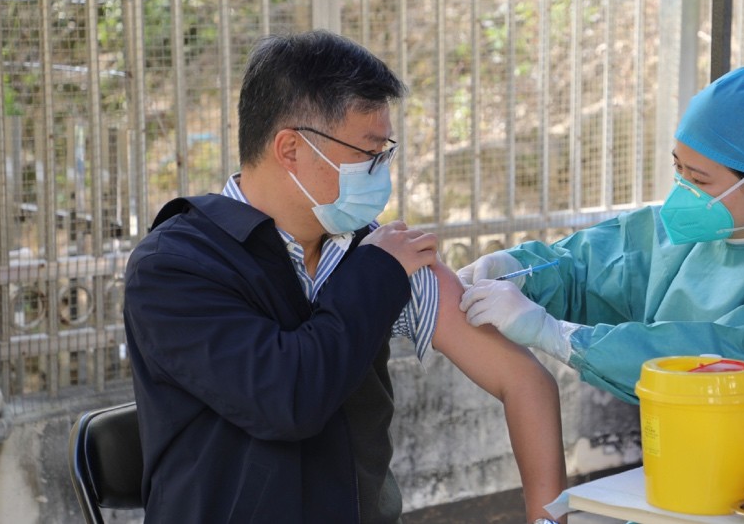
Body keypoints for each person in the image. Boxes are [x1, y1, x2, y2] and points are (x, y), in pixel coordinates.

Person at [124, 30, 566, 523]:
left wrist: (547, 519)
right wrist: (376, 275)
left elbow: (525, 381)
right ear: (290, 149)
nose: (381, 171)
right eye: (368, 152)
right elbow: (286, 399)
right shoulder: (176, 265)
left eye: (385, 152)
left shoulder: (375, 250)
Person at [459, 66, 744, 456]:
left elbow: (724, 364)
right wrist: (516, 268)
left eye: (699, 179)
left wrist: (557, 335)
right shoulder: (679, 234)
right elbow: (588, 268)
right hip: (690, 464)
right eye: (679, 168)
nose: (682, 189)